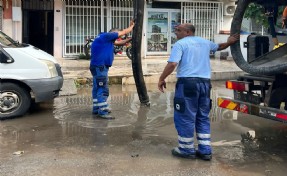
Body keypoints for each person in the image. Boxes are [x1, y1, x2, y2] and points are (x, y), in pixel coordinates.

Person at [158, 23, 239, 160]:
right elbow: (219, 47)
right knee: (202, 116)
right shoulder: (205, 42)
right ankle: (205, 150)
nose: (175, 33)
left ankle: (186, 149)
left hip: (187, 84)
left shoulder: (180, 44)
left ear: (188, 32)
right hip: (205, 84)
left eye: (178, 30)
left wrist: (161, 78)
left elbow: (172, 64)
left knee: (185, 116)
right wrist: (229, 42)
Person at [90, 20, 135, 119]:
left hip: (96, 67)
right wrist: (131, 27)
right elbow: (123, 32)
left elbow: (118, 43)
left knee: (97, 87)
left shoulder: (104, 38)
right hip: (100, 67)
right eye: (117, 35)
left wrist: (129, 40)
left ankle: (96, 108)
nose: (118, 37)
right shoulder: (107, 36)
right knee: (102, 88)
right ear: (113, 33)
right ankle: (103, 111)